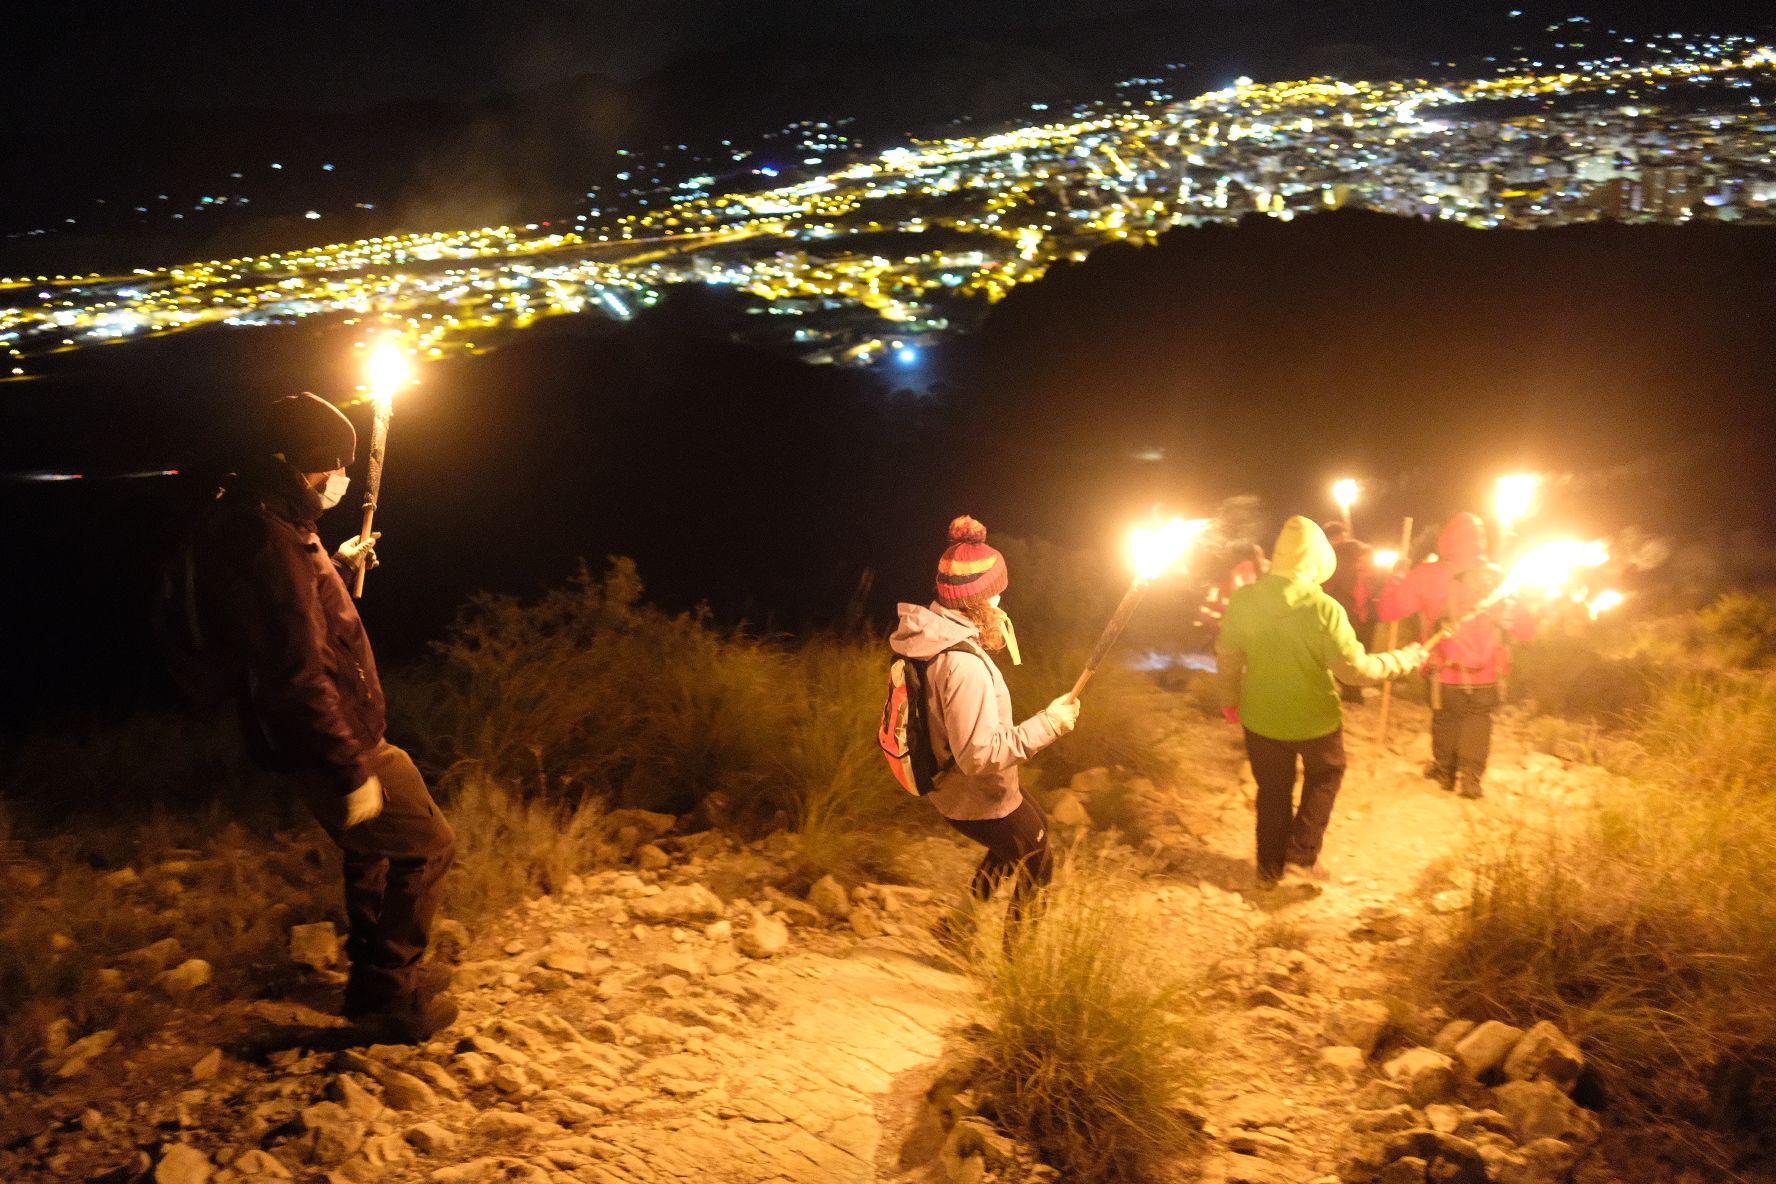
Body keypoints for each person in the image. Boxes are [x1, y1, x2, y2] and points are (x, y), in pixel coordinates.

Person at [190, 392, 457, 1042]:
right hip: (334, 738)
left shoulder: (271, 523)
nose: (341, 475)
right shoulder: (270, 539)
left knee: (368, 852)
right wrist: (351, 768)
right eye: (333, 465)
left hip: (328, 734)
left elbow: (291, 611)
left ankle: (374, 982)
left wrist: (336, 563)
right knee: (429, 846)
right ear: (306, 464)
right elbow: (294, 670)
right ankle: (391, 997)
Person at [890, 516, 1080, 927]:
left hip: (961, 786)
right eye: (996, 593)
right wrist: (1050, 723)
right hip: (973, 792)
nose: (1000, 602)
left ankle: (956, 927)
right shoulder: (962, 664)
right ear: (978, 598)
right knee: (1038, 860)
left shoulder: (933, 635)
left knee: (1027, 835)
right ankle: (1018, 965)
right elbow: (979, 754)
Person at [1216, 516, 1426, 888]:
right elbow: (1355, 671)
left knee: (1273, 791)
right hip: (1315, 721)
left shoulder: (1244, 600)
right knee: (1326, 775)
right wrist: (1403, 660)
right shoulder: (1324, 608)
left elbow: (1229, 656)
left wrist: (1230, 699)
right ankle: (1300, 856)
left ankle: (1269, 868)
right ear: (1316, 559)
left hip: (1260, 719)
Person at [1376, 511, 1534, 799]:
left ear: (1446, 540)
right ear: (1481, 542)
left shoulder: (1428, 575)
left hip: (1443, 671)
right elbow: (1525, 629)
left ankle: (1445, 770)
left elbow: (1388, 610)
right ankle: (1471, 778)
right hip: (1488, 673)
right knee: (1479, 718)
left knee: (1446, 717)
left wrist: (1397, 576)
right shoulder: (1499, 579)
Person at [1321, 521, 1375, 703]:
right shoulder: (1365, 555)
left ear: (1332, 539)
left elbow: (1327, 586)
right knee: (1357, 653)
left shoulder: (1337, 557)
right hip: (1366, 615)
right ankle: (1354, 693)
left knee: (1341, 654)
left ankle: (1351, 694)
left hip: (1344, 613)